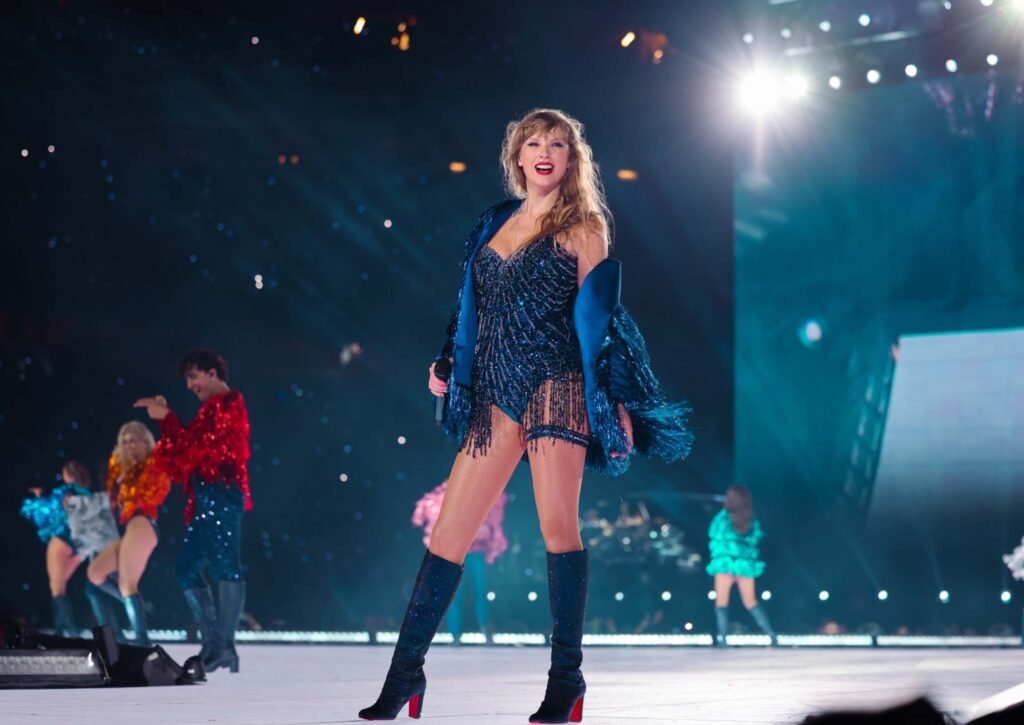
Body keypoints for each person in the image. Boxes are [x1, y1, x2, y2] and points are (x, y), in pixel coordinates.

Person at [358, 108, 693, 723]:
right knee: (446, 538)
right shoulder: (493, 221)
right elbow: (469, 306)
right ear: (517, 156)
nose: (544, 151)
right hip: (493, 389)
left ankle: (566, 681)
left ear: (571, 160)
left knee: (557, 527)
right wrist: (444, 361)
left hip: (556, 384)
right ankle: (405, 674)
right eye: (534, 142)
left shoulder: (585, 226)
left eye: (557, 144)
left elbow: (604, 320)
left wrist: (615, 396)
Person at [135, 349, 252, 673]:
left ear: (212, 373)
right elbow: (190, 448)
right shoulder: (209, 410)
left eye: (193, 376)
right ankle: (216, 643)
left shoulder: (230, 404)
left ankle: (223, 647)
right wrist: (167, 418)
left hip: (222, 493)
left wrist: (168, 418)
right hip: (205, 496)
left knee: (226, 565)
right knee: (187, 568)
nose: (190, 385)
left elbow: (202, 449)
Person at [86, 421, 171, 645]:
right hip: (128, 526)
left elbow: (156, 487)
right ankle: (122, 626)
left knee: (126, 583)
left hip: (143, 522)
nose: (129, 446)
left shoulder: (154, 463)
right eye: (125, 442)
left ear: (145, 442)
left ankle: (141, 639)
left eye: (134, 441)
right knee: (94, 575)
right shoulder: (121, 469)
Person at [411, 480, 508, 642]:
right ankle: (455, 633)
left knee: (479, 592)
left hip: (474, 552)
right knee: (454, 594)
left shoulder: (479, 496)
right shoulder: (445, 497)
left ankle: (484, 629)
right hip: (455, 552)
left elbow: (490, 523)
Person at [19, 461, 93, 636]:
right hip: (80, 546)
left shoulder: (65, 492)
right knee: (61, 586)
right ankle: (71, 631)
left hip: (61, 540)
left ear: (69, 474)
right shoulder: (88, 494)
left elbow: (45, 512)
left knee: (57, 588)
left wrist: (37, 499)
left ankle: (63, 632)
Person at [706, 485, 774, 644]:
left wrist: (723, 511)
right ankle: (771, 635)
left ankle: (723, 638)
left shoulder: (723, 518)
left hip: (725, 564)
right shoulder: (750, 519)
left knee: (721, 602)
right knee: (750, 601)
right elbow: (756, 538)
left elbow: (713, 533)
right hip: (744, 565)